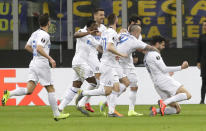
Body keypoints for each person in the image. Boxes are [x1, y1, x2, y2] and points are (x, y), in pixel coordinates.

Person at [1, 13, 69, 121]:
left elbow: (27, 47)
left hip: (34, 63)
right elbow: (39, 48)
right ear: (48, 23)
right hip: (41, 64)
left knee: (29, 90)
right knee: (50, 88)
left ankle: (9, 93)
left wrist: (37, 55)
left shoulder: (35, 33)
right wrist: (50, 58)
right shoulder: (45, 35)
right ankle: (57, 114)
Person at [75, 14, 128, 117]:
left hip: (109, 63)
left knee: (116, 87)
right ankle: (84, 93)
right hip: (108, 65)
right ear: (116, 21)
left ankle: (111, 112)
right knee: (106, 90)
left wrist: (113, 53)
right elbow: (109, 47)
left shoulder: (106, 32)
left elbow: (102, 46)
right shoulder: (111, 32)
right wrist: (120, 54)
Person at [58, 20, 102, 116]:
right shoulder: (82, 31)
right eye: (95, 26)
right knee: (95, 83)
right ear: (89, 26)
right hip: (79, 63)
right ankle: (82, 96)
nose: (96, 28)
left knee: (75, 87)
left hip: (80, 64)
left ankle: (60, 108)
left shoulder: (92, 38)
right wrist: (89, 32)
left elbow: (99, 48)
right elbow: (75, 35)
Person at [115, 24, 159, 117]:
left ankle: (126, 109)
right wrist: (156, 50)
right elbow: (148, 47)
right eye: (139, 32)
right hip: (125, 65)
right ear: (135, 32)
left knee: (128, 85)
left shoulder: (123, 35)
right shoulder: (134, 41)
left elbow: (115, 38)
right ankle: (112, 102)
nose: (140, 34)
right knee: (131, 85)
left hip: (116, 62)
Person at [143, 36, 192, 116]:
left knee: (176, 109)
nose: (164, 46)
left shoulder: (147, 55)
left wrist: (167, 74)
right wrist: (181, 67)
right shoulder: (154, 54)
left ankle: (156, 110)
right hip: (163, 80)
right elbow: (164, 69)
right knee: (188, 95)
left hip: (157, 84)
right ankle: (164, 103)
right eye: (162, 44)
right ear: (157, 43)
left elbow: (156, 70)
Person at [74, 8, 107, 112]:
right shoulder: (87, 27)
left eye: (103, 15)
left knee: (81, 82)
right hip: (88, 57)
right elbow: (79, 35)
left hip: (95, 56)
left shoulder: (104, 29)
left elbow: (103, 44)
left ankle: (82, 103)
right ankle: (83, 102)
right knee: (97, 82)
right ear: (95, 16)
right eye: (101, 15)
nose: (103, 17)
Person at [197, 20, 206, 104]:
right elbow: (199, 50)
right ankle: (202, 100)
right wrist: (198, 61)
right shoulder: (201, 37)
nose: (204, 27)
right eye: (203, 25)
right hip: (204, 62)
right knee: (204, 81)